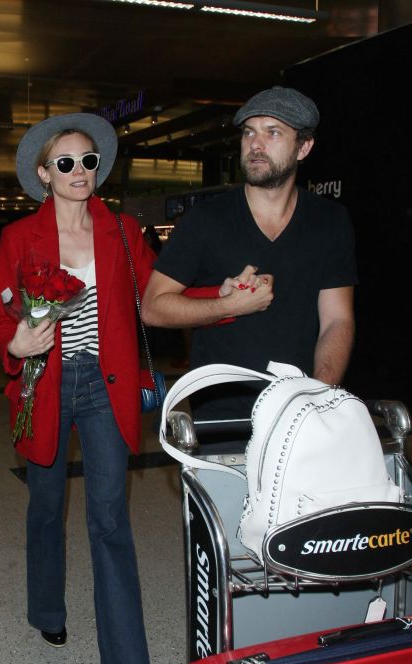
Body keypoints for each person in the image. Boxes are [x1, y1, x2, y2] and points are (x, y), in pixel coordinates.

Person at [0, 113, 155, 664]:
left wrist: (224, 301)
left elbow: (160, 294)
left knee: (110, 522)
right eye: (67, 163)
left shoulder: (122, 230)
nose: (80, 172)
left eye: (88, 161)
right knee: (46, 506)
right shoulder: (19, 239)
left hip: (105, 388)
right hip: (47, 385)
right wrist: (18, 345)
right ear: (43, 174)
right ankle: (46, 607)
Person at [141, 86, 357, 422]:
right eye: (248, 133)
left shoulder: (329, 221)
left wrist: (319, 393)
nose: (256, 145)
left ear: (304, 147)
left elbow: (337, 319)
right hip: (220, 411)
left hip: (299, 409)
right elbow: (153, 307)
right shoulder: (206, 219)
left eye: (273, 133)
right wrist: (230, 306)